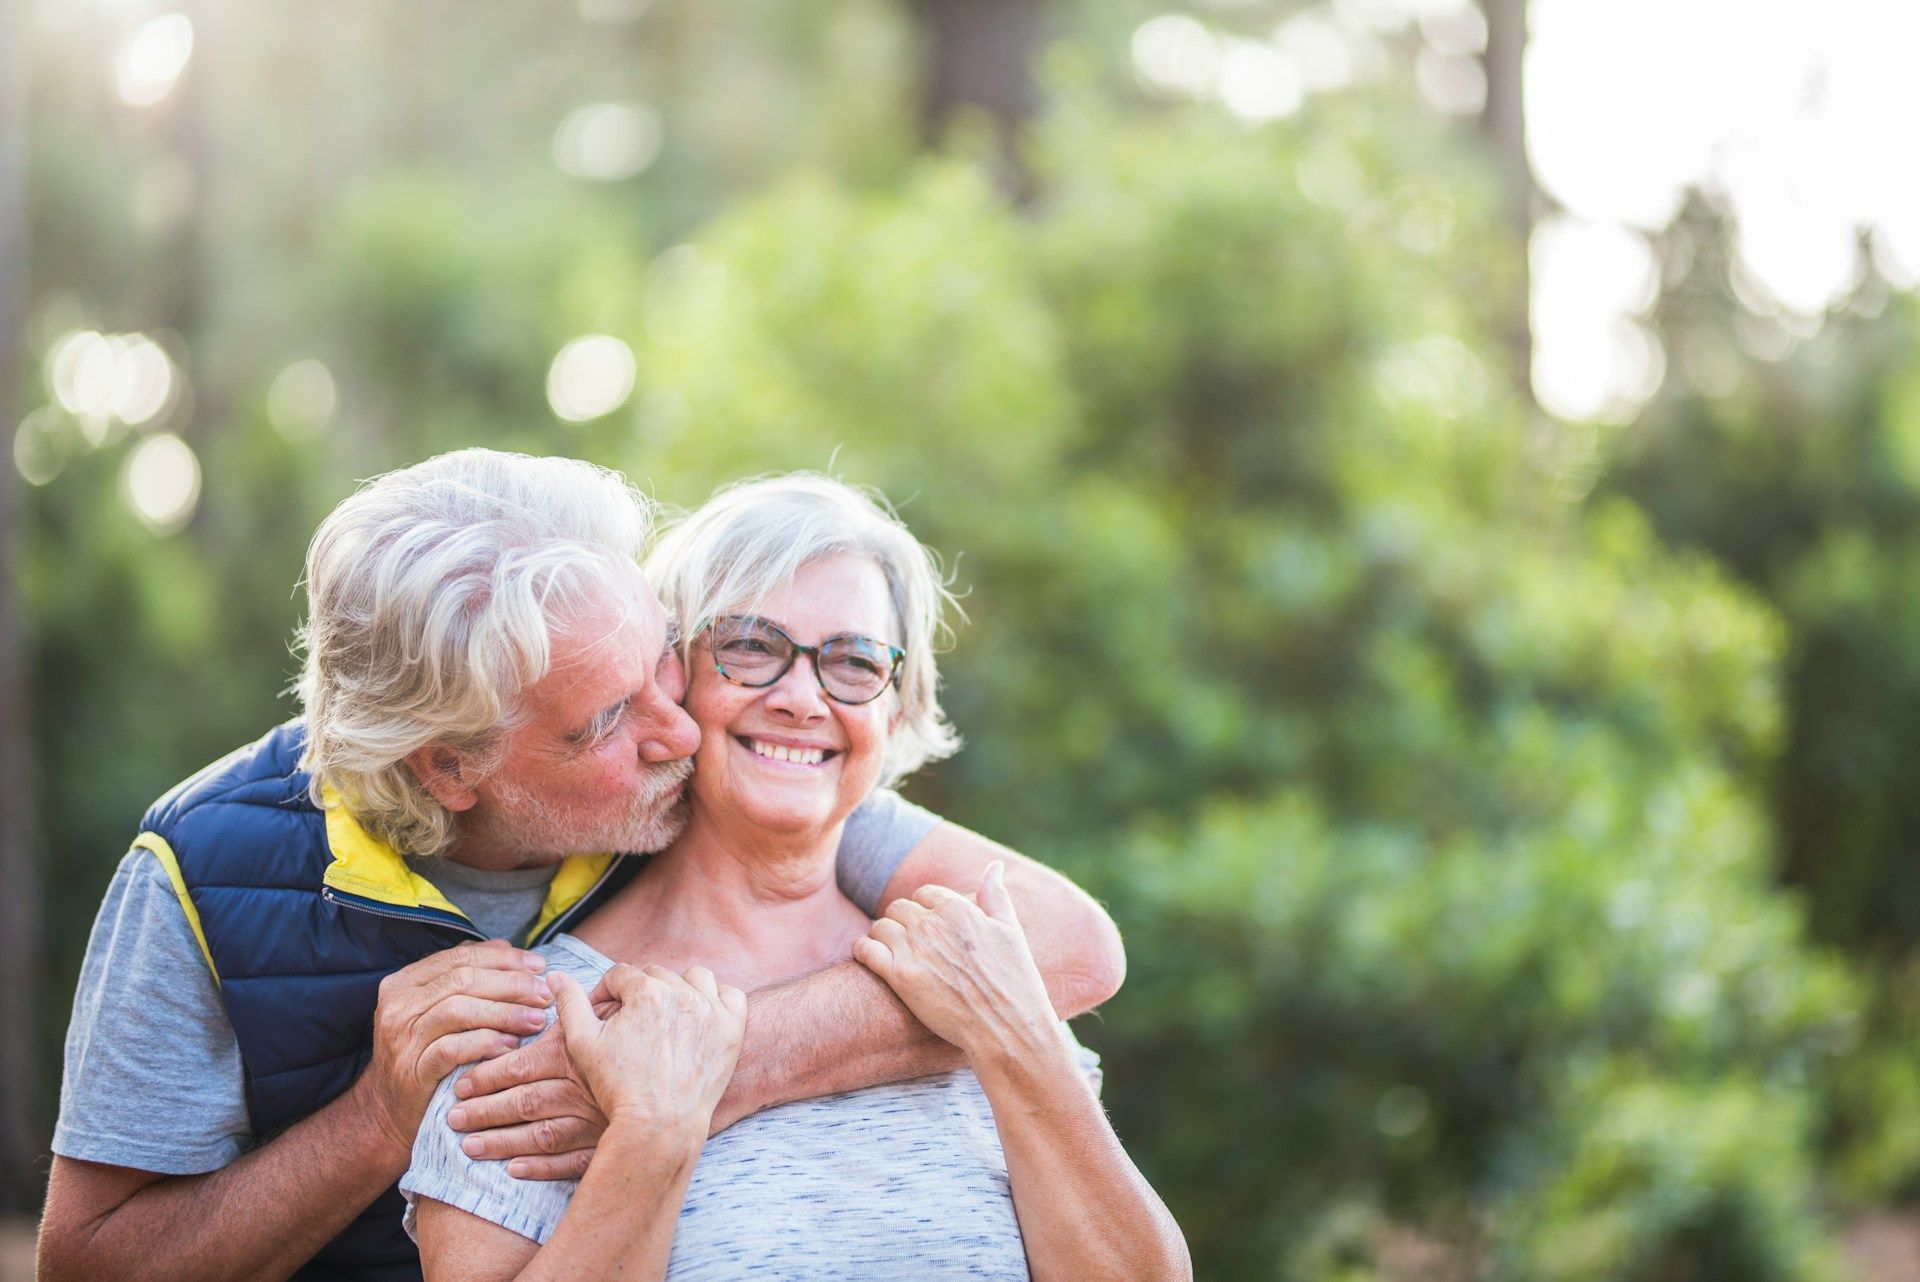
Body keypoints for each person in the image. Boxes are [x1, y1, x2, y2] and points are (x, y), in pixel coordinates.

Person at [36, 451, 1127, 1282]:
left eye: (664, 658)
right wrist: (376, 1118)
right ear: (453, 766)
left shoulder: (725, 784)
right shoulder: (203, 871)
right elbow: (90, 1263)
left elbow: (1067, 947)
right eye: (609, 718)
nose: (682, 731)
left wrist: (712, 1066)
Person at [404, 474, 1188, 1280]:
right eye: (750, 645)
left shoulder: (978, 975)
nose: (802, 697)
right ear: (673, 678)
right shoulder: (530, 1033)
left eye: (853, 662)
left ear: (895, 704)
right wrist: (654, 1137)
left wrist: (1013, 1032)